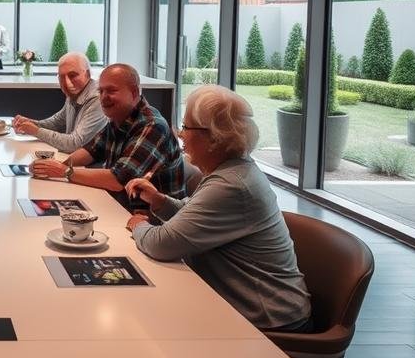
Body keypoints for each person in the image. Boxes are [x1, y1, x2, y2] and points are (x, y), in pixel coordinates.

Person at [124, 85, 312, 332]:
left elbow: (162, 243)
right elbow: (195, 214)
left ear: (213, 137)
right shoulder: (233, 170)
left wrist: (139, 225)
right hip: (249, 310)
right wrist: (159, 200)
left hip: (268, 321)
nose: (180, 135)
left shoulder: (231, 184)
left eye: (186, 127)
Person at [31, 63, 184, 205]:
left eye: (111, 91)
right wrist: (55, 167)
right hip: (120, 205)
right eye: (101, 91)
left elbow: (118, 180)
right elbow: (91, 151)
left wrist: (64, 171)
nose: (103, 98)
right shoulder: (119, 117)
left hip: (151, 218)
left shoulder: (152, 125)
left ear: (134, 92)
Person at [12, 52, 106, 152]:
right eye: (61, 77)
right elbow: (57, 123)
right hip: (73, 159)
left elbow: (75, 144)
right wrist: (30, 123)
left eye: (72, 75)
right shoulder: (74, 93)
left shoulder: (97, 99)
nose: (66, 83)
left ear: (87, 74)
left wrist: (36, 131)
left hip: (88, 166)